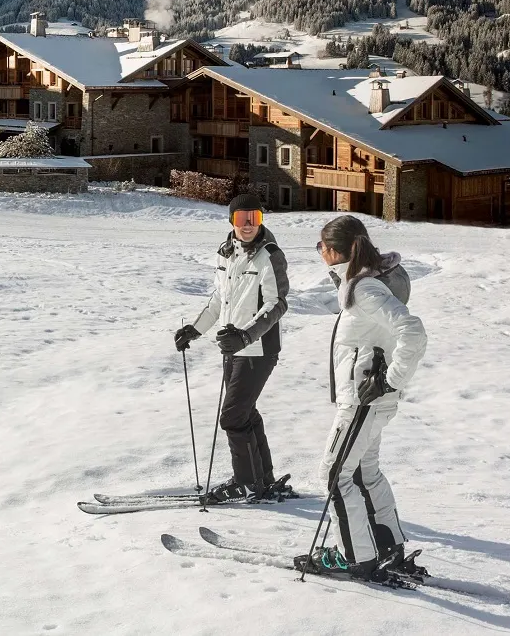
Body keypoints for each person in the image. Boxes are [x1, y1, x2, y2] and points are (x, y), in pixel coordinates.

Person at [306, 215, 427, 580]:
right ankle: (387, 546)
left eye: (321, 246)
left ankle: (354, 556)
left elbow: (413, 331)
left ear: (333, 251)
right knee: (362, 471)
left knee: (334, 474)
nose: (319, 252)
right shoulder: (367, 280)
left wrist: (390, 380)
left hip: (363, 401)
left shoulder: (364, 290)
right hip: (371, 401)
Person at [174, 193, 290, 502]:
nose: (248, 225)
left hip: (259, 350)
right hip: (233, 349)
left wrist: (246, 336)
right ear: (231, 220)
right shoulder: (226, 253)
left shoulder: (269, 255)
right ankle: (262, 478)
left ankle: (246, 482)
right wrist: (195, 329)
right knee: (245, 412)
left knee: (233, 416)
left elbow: (277, 304)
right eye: (242, 218)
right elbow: (219, 299)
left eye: (255, 218)